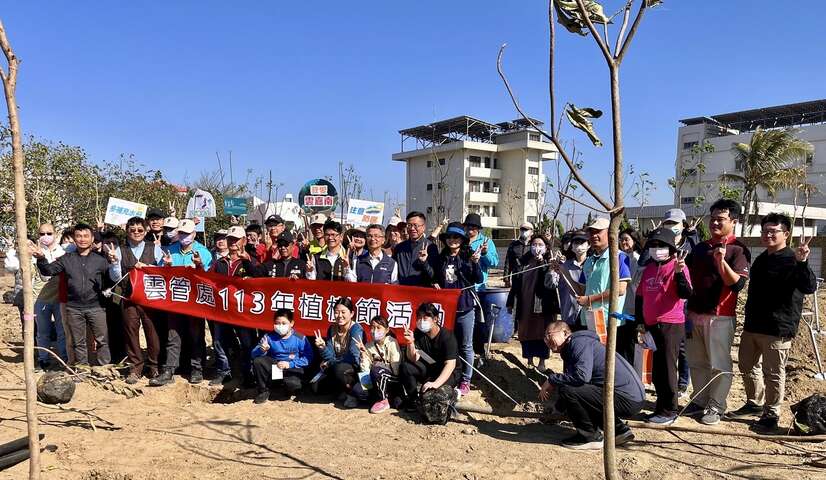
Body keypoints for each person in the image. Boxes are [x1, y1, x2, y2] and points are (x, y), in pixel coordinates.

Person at [728, 213, 816, 430]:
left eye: (773, 231)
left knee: (773, 373)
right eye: (764, 231)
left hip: (778, 329)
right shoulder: (761, 259)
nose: (767, 235)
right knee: (747, 366)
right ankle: (754, 403)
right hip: (753, 326)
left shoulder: (793, 259)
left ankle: (772, 413)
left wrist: (802, 262)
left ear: (785, 234)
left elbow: (809, 287)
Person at [683, 199, 750, 425]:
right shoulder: (701, 247)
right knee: (696, 361)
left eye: (720, 219)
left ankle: (716, 405)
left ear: (733, 221)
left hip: (720, 316)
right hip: (694, 314)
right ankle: (700, 400)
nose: (715, 223)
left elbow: (737, 285)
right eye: (712, 219)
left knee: (719, 364)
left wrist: (722, 263)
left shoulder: (738, 250)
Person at [539, 321, 643, 450]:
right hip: (630, 397)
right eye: (545, 337)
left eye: (549, 335)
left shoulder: (578, 343)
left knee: (567, 389)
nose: (547, 340)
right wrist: (558, 410)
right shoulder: (575, 345)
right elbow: (584, 388)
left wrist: (552, 379)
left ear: (565, 333)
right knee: (577, 390)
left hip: (626, 398)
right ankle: (618, 430)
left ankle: (589, 436)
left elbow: (581, 377)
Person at [32, 223, 111, 367]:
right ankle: (82, 368)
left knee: (102, 340)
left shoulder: (100, 261)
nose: (82, 239)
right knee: (78, 341)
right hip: (73, 307)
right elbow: (48, 271)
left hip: (96, 307)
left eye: (86, 236)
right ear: (74, 239)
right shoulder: (66, 259)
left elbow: (110, 281)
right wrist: (41, 258)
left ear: (92, 238)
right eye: (79, 236)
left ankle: (104, 368)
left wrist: (113, 262)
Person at [635, 228, 692, 425]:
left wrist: (678, 274)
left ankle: (670, 410)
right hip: (651, 325)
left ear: (671, 248)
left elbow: (685, 293)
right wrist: (640, 323)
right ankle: (661, 406)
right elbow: (640, 296)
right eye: (653, 245)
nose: (656, 249)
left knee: (668, 368)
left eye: (661, 246)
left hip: (671, 324)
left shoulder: (679, 266)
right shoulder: (649, 268)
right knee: (657, 369)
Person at [419, 221, 482, 396]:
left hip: (465, 307)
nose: (453, 240)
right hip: (447, 309)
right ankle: (450, 376)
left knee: (466, 345)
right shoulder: (441, 258)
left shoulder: (469, 256)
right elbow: (435, 276)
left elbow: (477, 278)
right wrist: (425, 264)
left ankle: (466, 380)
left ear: (462, 239)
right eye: (449, 237)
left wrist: (475, 263)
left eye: (456, 237)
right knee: (448, 344)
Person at [150, 218, 213, 386]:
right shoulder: (170, 250)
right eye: (182, 233)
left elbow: (208, 278)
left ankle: (196, 368)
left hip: (194, 303)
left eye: (187, 233)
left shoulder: (203, 252)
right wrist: (167, 266)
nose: (184, 236)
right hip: (175, 301)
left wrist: (199, 266)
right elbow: (160, 274)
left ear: (194, 234)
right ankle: (169, 369)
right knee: (173, 336)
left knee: (196, 336)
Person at [106, 217, 165, 383]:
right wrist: (115, 263)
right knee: (130, 332)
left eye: (140, 230)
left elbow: (162, 272)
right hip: (129, 297)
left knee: (152, 332)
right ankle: (135, 367)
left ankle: (154, 366)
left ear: (145, 231)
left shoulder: (154, 248)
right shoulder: (119, 250)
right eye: (133, 230)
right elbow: (115, 277)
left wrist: (148, 267)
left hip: (150, 299)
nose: (136, 233)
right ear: (127, 231)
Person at [5, 225, 68, 369]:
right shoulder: (33, 254)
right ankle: (42, 359)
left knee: (62, 331)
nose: (45, 236)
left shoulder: (64, 251)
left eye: (49, 233)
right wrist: (13, 249)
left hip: (60, 299)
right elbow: (13, 266)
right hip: (38, 300)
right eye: (42, 233)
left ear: (55, 234)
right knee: (41, 331)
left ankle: (63, 359)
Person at [208, 225, 258, 386]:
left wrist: (249, 261)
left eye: (236, 239)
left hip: (243, 311)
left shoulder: (251, 261)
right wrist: (198, 266)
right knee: (219, 341)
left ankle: (248, 373)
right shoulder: (219, 262)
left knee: (247, 343)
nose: (233, 243)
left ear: (244, 241)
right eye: (230, 239)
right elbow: (207, 280)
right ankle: (224, 371)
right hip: (222, 310)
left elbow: (260, 279)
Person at [577, 218, 632, 356]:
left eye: (598, 231)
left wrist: (590, 299)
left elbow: (620, 289)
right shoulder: (589, 261)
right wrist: (562, 271)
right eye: (591, 232)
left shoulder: (620, 257)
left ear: (610, 233)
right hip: (590, 319)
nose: (594, 235)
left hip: (611, 321)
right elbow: (581, 290)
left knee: (612, 359)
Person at [660, 208, 699, 395]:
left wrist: (694, 233)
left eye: (674, 223)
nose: (670, 226)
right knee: (666, 345)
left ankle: (683, 382)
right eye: (667, 223)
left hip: (684, 301)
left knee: (683, 346)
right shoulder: (661, 244)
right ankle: (668, 381)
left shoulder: (690, 244)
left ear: (683, 225)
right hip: (664, 300)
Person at [507, 235, 558, 372]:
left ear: (546, 248)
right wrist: (510, 301)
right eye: (534, 244)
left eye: (540, 245)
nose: (537, 247)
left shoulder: (550, 262)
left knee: (542, 332)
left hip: (541, 305)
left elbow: (550, 283)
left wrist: (543, 263)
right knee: (526, 331)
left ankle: (542, 361)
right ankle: (529, 359)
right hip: (525, 303)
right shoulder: (522, 261)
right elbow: (515, 284)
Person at [399, 303, 460, 410]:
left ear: (435, 319)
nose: (421, 321)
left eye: (425, 317)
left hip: (448, 372)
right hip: (430, 368)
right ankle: (413, 400)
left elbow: (450, 364)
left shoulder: (447, 336)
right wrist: (410, 343)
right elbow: (413, 358)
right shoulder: (418, 333)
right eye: (419, 317)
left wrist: (436, 383)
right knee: (405, 367)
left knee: (430, 394)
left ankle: (454, 393)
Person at [251, 309, 314, 404]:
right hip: (276, 368)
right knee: (258, 361)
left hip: (292, 368)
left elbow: (308, 358)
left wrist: (290, 364)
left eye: (284, 323)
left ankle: (288, 388)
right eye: (277, 323)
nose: (280, 326)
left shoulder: (300, 338)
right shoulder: (268, 337)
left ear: (291, 323)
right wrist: (261, 350)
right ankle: (263, 391)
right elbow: (253, 354)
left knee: (293, 384)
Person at [312, 297, 366, 407]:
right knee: (315, 387)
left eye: (343, 312)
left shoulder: (356, 329)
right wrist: (322, 347)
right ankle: (341, 390)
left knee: (340, 369)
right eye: (336, 312)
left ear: (351, 314)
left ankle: (352, 395)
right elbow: (330, 354)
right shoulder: (332, 329)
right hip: (336, 364)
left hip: (354, 368)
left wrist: (330, 362)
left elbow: (353, 357)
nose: (339, 316)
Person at [353, 315, 402, 414]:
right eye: (372, 327)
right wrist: (363, 353)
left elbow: (396, 369)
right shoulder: (368, 346)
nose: (375, 330)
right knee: (358, 390)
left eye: (378, 327)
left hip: (391, 378)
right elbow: (365, 371)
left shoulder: (392, 342)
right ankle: (385, 397)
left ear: (387, 330)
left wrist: (380, 366)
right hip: (375, 378)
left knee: (376, 369)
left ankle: (383, 399)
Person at [546, 230, 589, 328]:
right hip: (568, 315)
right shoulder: (564, 266)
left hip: (588, 316)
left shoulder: (593, 265)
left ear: (589, 245)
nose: (579, 246)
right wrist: (551, 270)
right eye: (576, 242)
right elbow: (550, 284)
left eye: (582, 242)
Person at [392, 211, 439, 286]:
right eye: (409, 225)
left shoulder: (431, 247)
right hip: (401, 292)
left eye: (416, 225)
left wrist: (424, 262)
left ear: (423, 227)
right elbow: (393, 270)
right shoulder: (399, 248)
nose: (412, 228)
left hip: (420, 293)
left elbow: (434, 276)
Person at [619, 227, 644, 367]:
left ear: (634, 241)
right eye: (621, 239)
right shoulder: (621, 257)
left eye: (626, 239)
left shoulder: (637, 259)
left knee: (630, 341)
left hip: (631, 307)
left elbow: (631, 281)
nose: (623, 242)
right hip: (622, 307)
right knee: (622, 340)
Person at [464, 213, 499, 290]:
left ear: (478, 228)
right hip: (462, 286)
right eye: (467, 225)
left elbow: (494, 263)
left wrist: (485, 253)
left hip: (478, 287)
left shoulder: (487, 241)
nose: (470, 228)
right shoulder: (459, 240)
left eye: (473, 226)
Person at [504, 222, 533, 288]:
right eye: (522, 229)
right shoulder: (513, 245)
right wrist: (506, 279)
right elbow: (508, 262)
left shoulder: (534, 245)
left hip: (531, 278)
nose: (523, 231)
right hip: (516, 277)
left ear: (532, 232)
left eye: (526, 229)